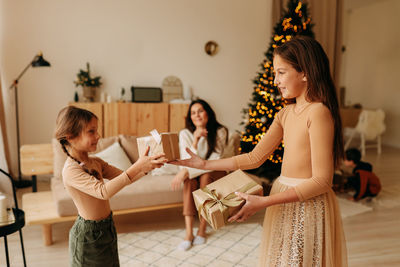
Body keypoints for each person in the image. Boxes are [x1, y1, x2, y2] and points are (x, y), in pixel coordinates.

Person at [172, 36, 347, 266]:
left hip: (308, 205)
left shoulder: (318, 112)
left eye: (281, 73)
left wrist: (265, 203)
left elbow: (323, 181)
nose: (276, 81)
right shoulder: (284, 114)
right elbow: (254, 158)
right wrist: (205, 165)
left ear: (304, 73)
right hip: (283, 197)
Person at [54, 106, 167, 267]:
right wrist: (138, 166)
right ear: (71, 137)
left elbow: (124, 177)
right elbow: (103, 192)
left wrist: (148, 168)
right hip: (88, 235)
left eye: (97, 131)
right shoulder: (71, 170)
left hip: (107, 227)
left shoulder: (95, 162)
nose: (98, 136)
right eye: (91, 131)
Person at [170, 99, 228, 251]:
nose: (197, 115)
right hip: (195, 171)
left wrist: (185, 171)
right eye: (193, 113)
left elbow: (216, 160)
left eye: (200, 111)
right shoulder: (185, 133)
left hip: (216, 170)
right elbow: (186, 159)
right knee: (189, 182)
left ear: (208, 113)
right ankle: (189, 233)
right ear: (190, 117)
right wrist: (195, 140)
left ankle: (202, 229)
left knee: (206, 178)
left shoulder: (220, 131)